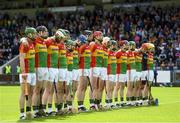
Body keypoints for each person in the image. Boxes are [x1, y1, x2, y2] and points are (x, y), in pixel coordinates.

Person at [19, 27, 37, 119]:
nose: (36, 35)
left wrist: (22, 38)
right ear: (29, 34)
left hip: (32, 72)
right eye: (34, 34)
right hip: (26, 72)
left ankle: (29, 112)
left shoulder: (32, 43)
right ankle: (22, 114)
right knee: (23, 93)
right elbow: (21, 58)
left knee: (31, 93)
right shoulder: (24, 44)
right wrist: (23, 72)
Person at [76, 35, 91, 112]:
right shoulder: (82, 47)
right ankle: (79, 106)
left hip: (87, 68)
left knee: (85, 87)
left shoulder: (87, 47)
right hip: (82, 68)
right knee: (81, 87)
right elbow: (78, 57)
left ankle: (82, 105)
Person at [89, 31, 104, 110]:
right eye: (100, 35)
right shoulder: (93, 44)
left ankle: (97, 103)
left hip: (100, 67)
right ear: (96, 37)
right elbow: (89, 55)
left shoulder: (101, 46)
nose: (102, 36)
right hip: (94, 67)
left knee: (98, 87)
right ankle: (92, 104)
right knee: (93, 86)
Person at [114, 40, 129, 107]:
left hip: (124, 72)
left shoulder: (126, 53)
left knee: (122, 87)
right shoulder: (118, 53)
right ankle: (116, 102)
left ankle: (122, 101)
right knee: (117, 87)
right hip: (119, 72)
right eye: (126, 44)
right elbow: (113, 60)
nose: (127, 46)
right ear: (123, 45)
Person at [105, 40, 117, 108]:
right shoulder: (108, 52)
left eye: (115, 45)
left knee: (112, 88)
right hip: (109, 72)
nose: (115, 46)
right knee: (109, 88)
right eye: (114, 45)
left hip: (113, 72)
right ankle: (107, 103)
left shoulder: (114, 53)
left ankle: (111, 102)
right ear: (111, 45)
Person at [126, 41, 136, 106]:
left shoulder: (133, 53)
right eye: (133, 45)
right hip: (129, 71)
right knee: (129, 87)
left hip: (133, 70)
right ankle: (128, 102)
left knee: (133, 86)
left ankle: (132, 101)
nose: (134, 47)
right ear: (130, 46)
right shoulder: (127, 53)